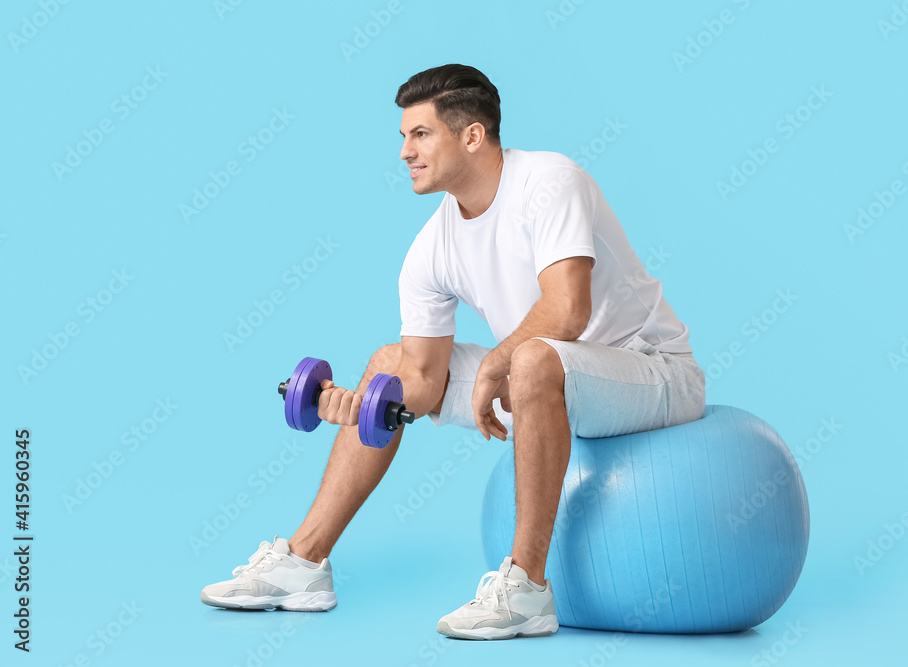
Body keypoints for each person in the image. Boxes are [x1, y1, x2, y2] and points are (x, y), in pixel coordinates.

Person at [200, 64, 706, 640]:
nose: (404, 152)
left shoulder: (549, 181)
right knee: (389, 362)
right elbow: (418, 382)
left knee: (533, 358)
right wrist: (356, 404)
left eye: (420, 134)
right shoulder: (431, 247)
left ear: (472, 135)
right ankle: (304, 562)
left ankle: (528, 591)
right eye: (402, 138)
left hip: (650, 374)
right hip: (545, 387)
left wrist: (495, 362)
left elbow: (568, 311)